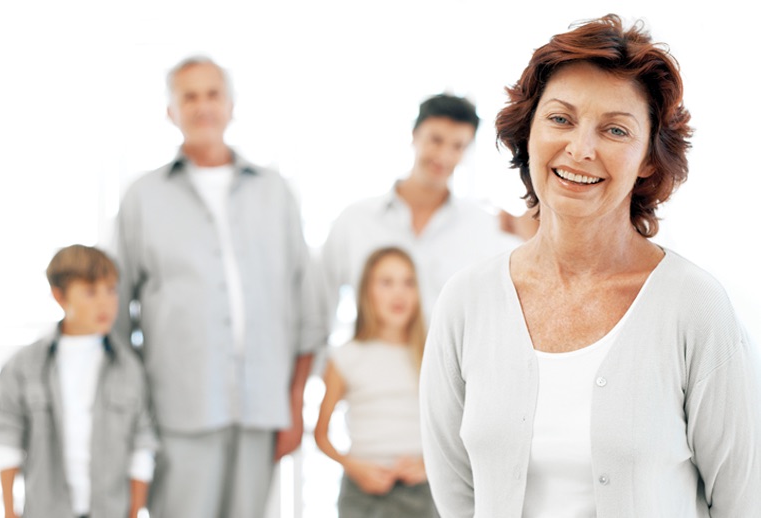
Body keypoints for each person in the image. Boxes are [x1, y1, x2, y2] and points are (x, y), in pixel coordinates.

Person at [420, 14, 761, 518]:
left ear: (649, 156)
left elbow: (743, 500)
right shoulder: (466, 301)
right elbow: (455, 495)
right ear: (528, 133)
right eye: (560, 119)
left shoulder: (695, 308)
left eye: (615, 129)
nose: (581, 149)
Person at [112, 56, 325, 518]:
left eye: (212, 94)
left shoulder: (275, 192)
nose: (202, 106)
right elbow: (113, 314)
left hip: (263, 411)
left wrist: (293, 406)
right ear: (171, 111)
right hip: (176, 414)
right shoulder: (142, 198)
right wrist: (131, 415)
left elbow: (307, 308)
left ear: (230, 106)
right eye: (189, 96)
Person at [320, 93, 522, 327]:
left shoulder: (485, 229)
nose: (444, 156)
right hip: (371, 361)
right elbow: (321, 307)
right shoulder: (355, 221)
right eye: (436, 140)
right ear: (414, 136)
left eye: (457, 146)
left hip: (453, 363)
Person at [0, 244, 158, 518]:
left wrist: (134, 512)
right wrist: (9, 510)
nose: (105, 302)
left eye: (111, 290)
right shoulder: (24, 366)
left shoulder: (129, 368)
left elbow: (142, 447)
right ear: (60, 296)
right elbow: (8, 438)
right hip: (46, 510)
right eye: (91, 292)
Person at [315, 247, 438, 518]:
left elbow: (454, 429)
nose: (399, 293)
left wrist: (428, 466)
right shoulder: (346, 357)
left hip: (423, 492)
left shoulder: (433, 356)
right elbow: (321, 435)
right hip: (363, 494)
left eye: (408, 283)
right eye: (386, 282)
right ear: (367, 292)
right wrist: (353, 466)